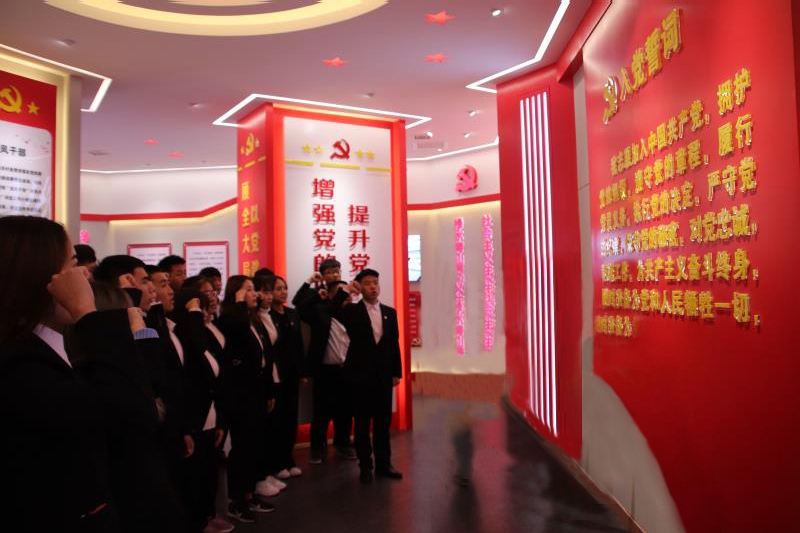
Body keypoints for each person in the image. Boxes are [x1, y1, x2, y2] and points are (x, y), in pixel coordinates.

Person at [0, 215, 169, 531]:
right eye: (73, 264)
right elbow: (131, 414)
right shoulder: (20, 364)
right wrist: (87, 313)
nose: (84, 276)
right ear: (38, 274)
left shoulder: (44, 346)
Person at [329, 269, 403, 483]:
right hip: (359, 376)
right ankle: (365, 466)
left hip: (383, 377)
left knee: (383, 423)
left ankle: (384, 464)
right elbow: (331, 310)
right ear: (360, 287)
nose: (372, 287)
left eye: (375, 283)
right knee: (362, 424)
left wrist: (396, 372)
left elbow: (394, 344)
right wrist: (346, 291)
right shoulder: (352, 310)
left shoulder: (390, 312)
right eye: (368, 283)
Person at [170, 288, 231, 533]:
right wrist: (194, 313)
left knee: (208, 471)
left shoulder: (205, 336)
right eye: (199, 308)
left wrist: (221, 421)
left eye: (204, 308)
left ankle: (208, 515)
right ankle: (198, 520)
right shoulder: (183, 336)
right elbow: (195, 351)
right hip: (194, 418)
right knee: (194, 475)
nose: (205, 313)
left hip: (212, 415)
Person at [217, 276, 276, 522]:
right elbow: (238, 332)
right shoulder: (230, 320)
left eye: (254, 290)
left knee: (255, 446)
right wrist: (240, 304)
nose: (256, 294)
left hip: (257, 392)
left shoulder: (254, 319)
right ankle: (236, 500)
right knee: (242, 448)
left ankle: (249, 494)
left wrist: (269, 391)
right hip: (240, 396)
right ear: (236, 294)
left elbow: (265, 357)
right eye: (249, 290)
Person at [292, 259, 355, 464]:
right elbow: (297, 305)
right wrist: (309, 283)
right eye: (330, 272)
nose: (335, 275)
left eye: (337, 271)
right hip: (324, 369)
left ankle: (343, 444)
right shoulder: (319, 308)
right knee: (321, 411)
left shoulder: (351, 310)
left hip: (346, 369)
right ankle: (317, 448)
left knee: (345, 411)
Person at [268, 275, 307, 479]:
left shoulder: (292, 314)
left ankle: (288, 459)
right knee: (277, 420)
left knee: (291, 419)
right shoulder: (266, 315)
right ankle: (276, 463)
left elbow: (299, 345)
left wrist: (302, 372)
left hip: (292, 374)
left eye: (285, 288)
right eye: (278, 288)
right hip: (275, 375)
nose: (283, 292)